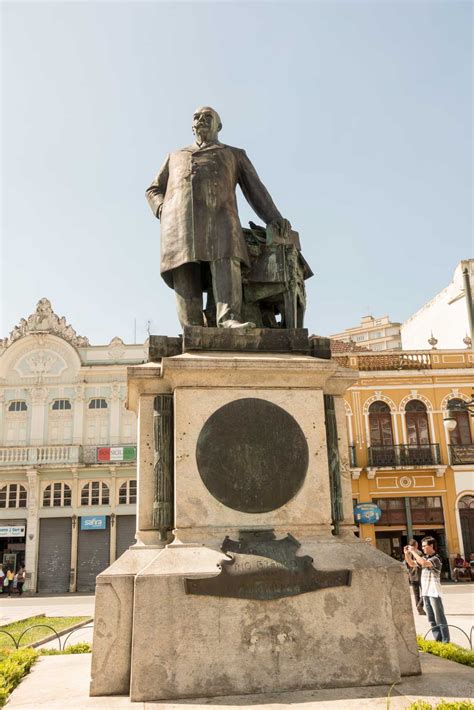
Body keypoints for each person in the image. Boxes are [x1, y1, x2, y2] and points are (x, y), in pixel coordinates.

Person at [146, 107, 290, 330]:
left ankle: (228, 318)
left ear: (219, 126)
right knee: (184, 268)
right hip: (179, 223)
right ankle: (192, 328)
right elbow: (153, 189)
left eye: (208, 116)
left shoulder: (234, 154)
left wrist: (274, 217)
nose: (201, 119)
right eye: (196, 117)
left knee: (226, 261)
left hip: (221, 218)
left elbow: (256, 190)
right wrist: (163, 209)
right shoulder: (175, 156)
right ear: (191, 125)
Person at [405, 536, 450, 643]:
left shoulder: (436, 558)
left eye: (425, 546)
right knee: (431, 619)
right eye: (422, 546)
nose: (423, 548)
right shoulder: (424, 558)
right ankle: (438, 641)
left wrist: (413, 551)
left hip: (434, 593)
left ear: (431, 546)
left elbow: (423, 563)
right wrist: (407, 554)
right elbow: (411, 564)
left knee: (440, 618)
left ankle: (445, 641)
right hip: (426, 593)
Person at [403, 539, 425, 615]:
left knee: (416, 594)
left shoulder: (407, 554)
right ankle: (420, 605)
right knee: (425, 592)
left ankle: (419, 608)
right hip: (420, 575)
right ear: (416, 545)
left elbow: (406, 564)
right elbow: (422, 562)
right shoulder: (419, 553)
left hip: (412, 576)